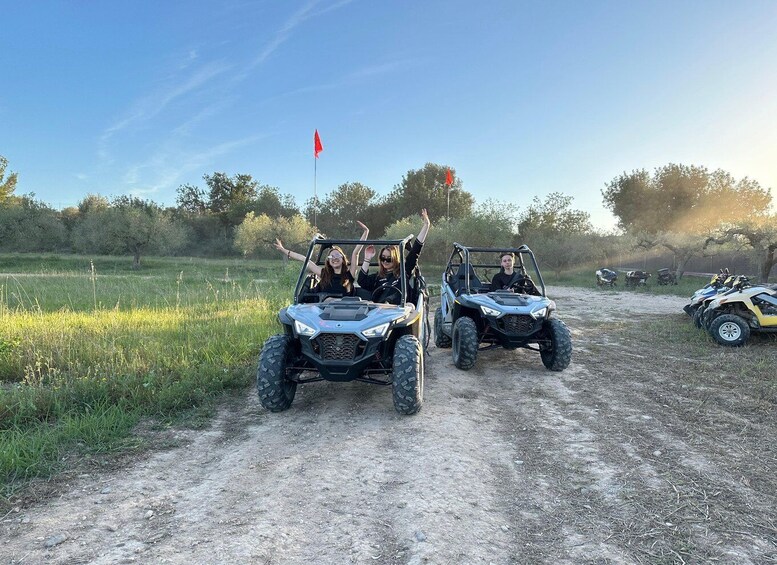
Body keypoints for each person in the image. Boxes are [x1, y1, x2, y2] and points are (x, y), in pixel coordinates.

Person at [273, 221, 369, 296]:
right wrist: (284, 250)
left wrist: (366, 232)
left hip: (345, 311)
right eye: (331, 256)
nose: (334, 258)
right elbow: (303, 258)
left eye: (337, 255)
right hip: (325, 311)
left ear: (343, 259)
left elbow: (355, 253)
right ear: (328, 261)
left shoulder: (350, 274)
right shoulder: (323, 273)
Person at [358, 209, 431, 303]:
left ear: (395, 259)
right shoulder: (377, 277)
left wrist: (426, 226)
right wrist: (367, 258)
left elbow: (415, 251)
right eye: (382, 258)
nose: (385, 261)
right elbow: (362, 281)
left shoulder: (404, 270)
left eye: (389, 259)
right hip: (380, 310)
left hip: (399, 310)